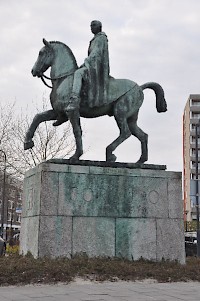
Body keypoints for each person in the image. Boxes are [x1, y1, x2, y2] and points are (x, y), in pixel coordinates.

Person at [66, 20, 110, 111]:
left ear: (99, 27)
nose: (91, 27)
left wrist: (86, 62)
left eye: (93, 25)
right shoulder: (94, 40)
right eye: (90, 26)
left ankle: (74, 100)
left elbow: (96, 53)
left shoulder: (101, 38)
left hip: (97, 67)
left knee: (78, 73)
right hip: (92, 64)